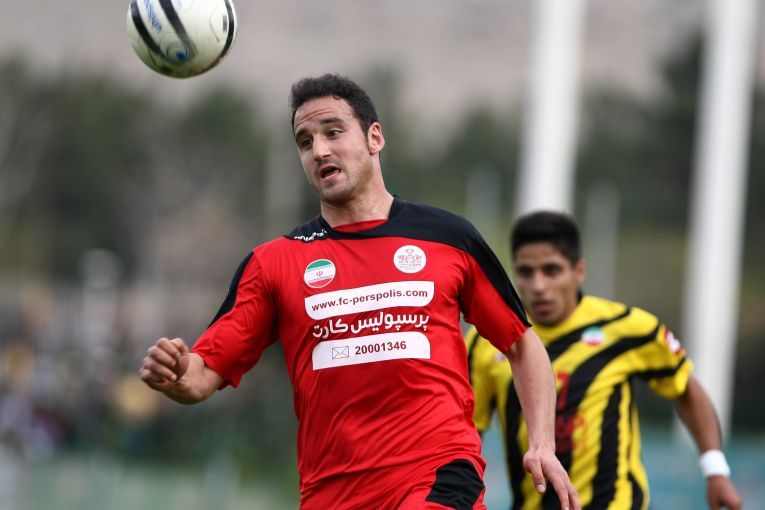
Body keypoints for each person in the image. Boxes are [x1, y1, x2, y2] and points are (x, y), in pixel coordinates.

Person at [138, 74, 579, 510]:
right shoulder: (273, 263)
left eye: (333, 132)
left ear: (374, 138)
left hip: (437, 474)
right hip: (331, 492)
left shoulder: (449, 238)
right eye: (305, 142)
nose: (319, 150)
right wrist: (175, 375)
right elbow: (201, 376)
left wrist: (542, 444)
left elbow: (522, 345)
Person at [466, 211, 743, 510]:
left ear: (579, 271)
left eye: (551, 270)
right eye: (526, 272)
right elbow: (467, 427)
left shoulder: (626, 327)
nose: (539, 285)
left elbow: (685, 387)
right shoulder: (486, 341)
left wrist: (715, 470)